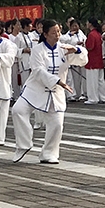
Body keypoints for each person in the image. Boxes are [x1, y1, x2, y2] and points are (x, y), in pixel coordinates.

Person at [11, 19, 88, 164]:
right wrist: (57, 80)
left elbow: (82, 60)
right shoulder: (37, 50)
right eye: (53, 33)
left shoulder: (64, 48)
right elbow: (38, 71)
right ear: (45, 34)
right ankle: (24, 144)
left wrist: (77, 50)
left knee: (57, 124)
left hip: (56, 92)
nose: (57, 35)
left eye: (58, 31)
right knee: (18, 110)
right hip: (35, 89)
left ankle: (49, 153)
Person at [60, 19, 87, 101]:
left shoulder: (81, 33)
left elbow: (86, 40)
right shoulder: (67, 35)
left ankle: (84, 93)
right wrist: (73, 41)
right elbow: (63, 41)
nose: (75, 27)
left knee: (83, 76)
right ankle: (76, 94)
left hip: (82, 57)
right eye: (73, 26)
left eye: (76, 25)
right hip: (72, 58)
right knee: (75, 78)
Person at [83, 18, 105, 104]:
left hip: (92, 60)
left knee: (92, 80)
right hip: (98, 59)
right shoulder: (98, 34)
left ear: (90, 24)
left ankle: (93, 98)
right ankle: (103, 97)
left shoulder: (91, 35)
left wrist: (84, 44)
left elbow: (90, 47)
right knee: (100, 80)